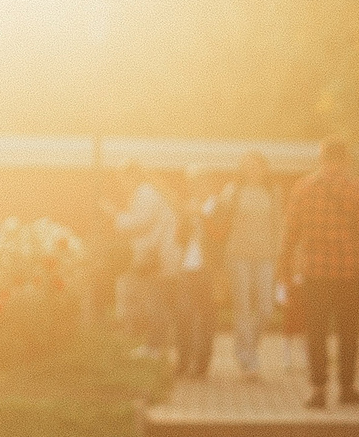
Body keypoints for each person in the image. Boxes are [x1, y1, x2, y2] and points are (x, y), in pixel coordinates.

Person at [277, 138, 359, 410]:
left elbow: (290, 232)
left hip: (314, 271)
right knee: (349, 332)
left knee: (316, 332)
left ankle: (318, 390)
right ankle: (346, 388)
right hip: (349, 270)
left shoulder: (303, 188)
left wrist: (284, 267)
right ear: (345, 159)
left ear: (320, 159)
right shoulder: (356, 189)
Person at [213, 151, 285, 383]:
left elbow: (279, 226)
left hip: (266, 256)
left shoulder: (273, 193)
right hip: (238, 255)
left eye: (256, 166)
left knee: (266, 307)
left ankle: (247, 346)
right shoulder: (232, 191)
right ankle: (247, 357)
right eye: (247, 166)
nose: (252, 171)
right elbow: (219, 222)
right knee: (242, 307)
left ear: (264, 169)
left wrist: (280, 255)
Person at [113, 165, 177, 359]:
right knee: (155, 302)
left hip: (156, 256)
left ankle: (154, 347)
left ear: (129, 176)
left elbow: (142, 222)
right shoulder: (148, 193)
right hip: (157, 254)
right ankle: (157, 345)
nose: (121, 184)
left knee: (154, 303)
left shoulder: (145, 193)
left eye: (122, 178)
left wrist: (117, 217)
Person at [167, 165, 217, 378]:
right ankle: (183, 361)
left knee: (206, 319)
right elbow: (179, 237)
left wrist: (201, 218)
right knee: (184, 316)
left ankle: (201, 365)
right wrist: (186, 219)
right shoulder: (187, 208)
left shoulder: (216, 205)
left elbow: (219, 235)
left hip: (209, 269)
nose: (196, 187)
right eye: (193, 183)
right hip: (187, 268)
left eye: (200, 182)